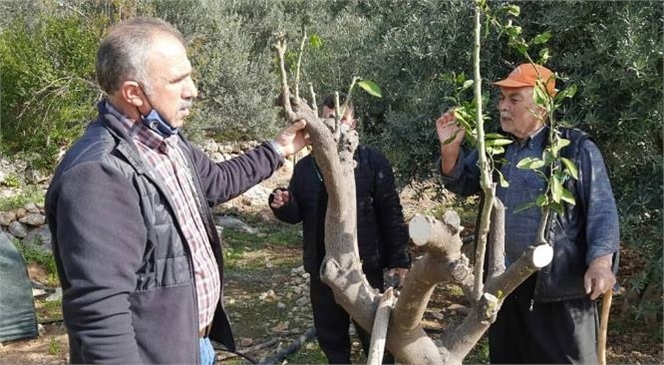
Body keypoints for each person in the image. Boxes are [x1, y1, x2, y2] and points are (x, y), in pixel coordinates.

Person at [45, 17, 307, 364]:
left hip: (193, 347)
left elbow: (217, 182)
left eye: (189, 75)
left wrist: (277, 149)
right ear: (133, 93)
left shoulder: (166, 142)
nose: (192, 90)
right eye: (177, 80)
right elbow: (99, 312)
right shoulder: (99, 173)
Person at [435, 63, 620, 364]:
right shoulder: (496, 146)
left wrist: (600, 263)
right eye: (501, 99)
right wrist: (450, 149)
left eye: (514, 99)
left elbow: (602, 210)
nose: (503, 107)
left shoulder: (574, 148)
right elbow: (462, 181)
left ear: (542, 104)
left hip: (560, 289)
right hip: (504, 285)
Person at [269, 93, 411, 364]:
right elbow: (297, 213)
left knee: (375, 335)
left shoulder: (371, 162)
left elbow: (390, 211)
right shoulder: (306, 167)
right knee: (331, 337)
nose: (335, 125)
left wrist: (399, 260)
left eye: (341, 119)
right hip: (323, 269)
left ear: (353, 124)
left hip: (365, 266)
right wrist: (283, 204)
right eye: (328, 119)